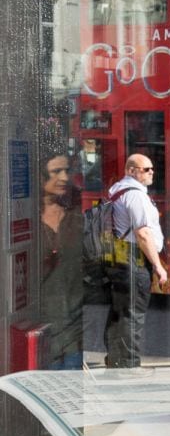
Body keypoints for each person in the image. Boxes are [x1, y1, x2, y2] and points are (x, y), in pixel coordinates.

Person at [105, 154, 168, 368]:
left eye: (152, 168)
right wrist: (159, 265)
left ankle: (115, 357)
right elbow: (143, 234)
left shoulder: (117, 189)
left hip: (119, 258)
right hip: (134, 260)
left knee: (120, 309)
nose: (152, 172)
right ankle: (128, 362)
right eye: (146, 169)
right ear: (131, 170)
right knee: (133, 313)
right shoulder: (135, 196)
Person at [38, 150, 84, 369]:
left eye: (67, 170)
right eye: (56, 171)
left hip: (73, 331)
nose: (64, 178)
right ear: (40, 177)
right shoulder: (24, 220)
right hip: (41, 330)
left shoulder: (76, 214)